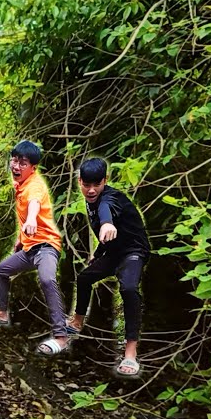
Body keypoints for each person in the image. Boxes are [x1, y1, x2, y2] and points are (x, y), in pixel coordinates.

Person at [67, 158, 153, 378]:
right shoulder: (89, 199)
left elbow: (107, 211)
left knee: (129, 289)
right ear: (80, 182)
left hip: (134, 251)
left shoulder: (110, 198)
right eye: (87, 185)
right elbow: (104, 231)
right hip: (113, 253)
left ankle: (130, 353)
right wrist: (97, 253)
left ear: (105, 180)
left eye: (97, 184)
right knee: (85, 278)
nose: (92, 190)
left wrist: (107, 223)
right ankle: (76, 322)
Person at [0, 141, 69, 356]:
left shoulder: (34, 185)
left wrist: (32, 219)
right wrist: (20, 238)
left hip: (46, 246)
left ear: (32, 167)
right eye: (14, 160)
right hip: (29, 248)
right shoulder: (20, 184)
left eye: (22, 163)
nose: (16, 166)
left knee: (46, 279)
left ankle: (61, 337)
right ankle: (2, 311)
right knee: (2, 270)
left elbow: (34, 203)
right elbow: (24, 214)